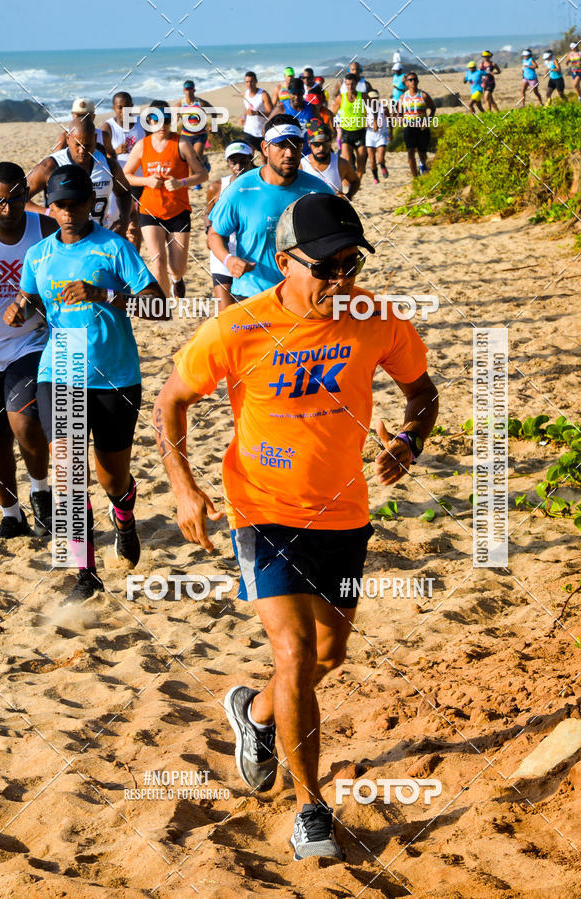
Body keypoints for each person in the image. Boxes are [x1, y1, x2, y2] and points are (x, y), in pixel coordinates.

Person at [153, 192, 438, 860]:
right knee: (296, 652)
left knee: (328, 656)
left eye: (350, 263)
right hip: (261, 507)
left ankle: (253, 712)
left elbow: (421, 392)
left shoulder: (376, 319)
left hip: (342, 512)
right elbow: (172, 401)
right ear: (284, 262)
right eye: (327, 267)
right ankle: (310, 806)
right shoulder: (238, 327)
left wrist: (410, 438)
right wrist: (184, 487)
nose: (342, 280)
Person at [5, 165, 166, 601]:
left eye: (76, 204)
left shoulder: (113, 248)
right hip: (62, 370)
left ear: (89, 205)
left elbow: (158, 307)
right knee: (70, 476)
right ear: (51, 208)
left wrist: (103, 295)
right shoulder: (38, 255)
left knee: (113, 478)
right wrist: (20, 309)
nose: (68, 212)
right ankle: (85, 574)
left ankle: (124, 517)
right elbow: (32, 297)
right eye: (59, 205)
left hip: (115, 374)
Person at [0, 162, 57, 539]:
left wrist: (34, 304)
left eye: (16, 198)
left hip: (27, 344)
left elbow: (65, 279)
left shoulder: (43, 228)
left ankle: (40, 492)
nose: (8, 208)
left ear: (28, 194)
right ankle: (12, 516)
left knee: (24, 421)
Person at [207, 115, 334, 302]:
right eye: (281, 145)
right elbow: (215, 234)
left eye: (295, 145)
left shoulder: (318, 190)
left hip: (301, 295)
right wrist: (228, 260)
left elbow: (334, 239)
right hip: (252, 295)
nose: (289, 153)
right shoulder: (240, 190)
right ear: (265, 148)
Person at [123, 99, 208, 299]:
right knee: (158, 261)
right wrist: (146, 181)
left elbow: (202, 175)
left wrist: (182, 182)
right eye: (157, 120)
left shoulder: (181, 143)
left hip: (178, 211)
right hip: (150, 211)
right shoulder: (142, 146)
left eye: (167, 120)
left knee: (177, 267)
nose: (162, 126)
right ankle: (163, 305)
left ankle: (177, 280)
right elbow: (125, 175)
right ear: (149, 121)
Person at [26, 118, 132, 235]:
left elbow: (125, 192)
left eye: (87, 145)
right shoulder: (50, 166)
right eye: (77, 144)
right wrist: (47, 213)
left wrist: (124, 220)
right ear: (68, 139)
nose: (82, 151)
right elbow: (19, 198)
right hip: (61, 239)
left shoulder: (109, 166)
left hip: (97, 239)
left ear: (95, 139)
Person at [205, 142, 255, 310]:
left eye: (243, 161)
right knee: (226, 314)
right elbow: (208, 214)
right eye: (233, 162)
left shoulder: (262, 184)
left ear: (251, 159)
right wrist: (209, 233)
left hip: (253, 256)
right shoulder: (217, 187)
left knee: (249, 313)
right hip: (223, 254)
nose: (238, 166)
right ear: (228, 162)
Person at [102, 91, 146, 249]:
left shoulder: (142, 124)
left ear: (132, 107)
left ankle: (135, 258)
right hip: (117, 183)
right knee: (118, 223)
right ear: (114, 108)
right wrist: (115, 151)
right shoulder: (108, 127)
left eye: (127, 107)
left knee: (135, 226)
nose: (123, 111)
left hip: (138, 181)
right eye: (120, 107)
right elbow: (101, 155)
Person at [300, 120, 359, 197]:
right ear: (309, 144)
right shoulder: (302, 165)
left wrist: (348, 195)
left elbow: (355, 181)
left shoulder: (341, 164)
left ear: (330, 143)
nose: (321, 148)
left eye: (325, 144)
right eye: (316, 144)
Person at [398, 72, 435, 178]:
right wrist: (400, 119)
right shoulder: (403, 97)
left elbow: (432, 108)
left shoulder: (423, 95)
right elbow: (399, 113)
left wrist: (427, 121)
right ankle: (415, 178)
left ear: (418, 81)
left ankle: (423, 165)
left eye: (415, 79)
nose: (413, 81)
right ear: (407, 83)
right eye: (410, 80)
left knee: (422, 153)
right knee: (410, 153)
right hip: (409, 128)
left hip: (422, 128)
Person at [332, 72, 368, 181]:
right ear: (345, 85)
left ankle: (358, 180)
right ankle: (350, 179)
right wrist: (333, 127)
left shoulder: (363, 96)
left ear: (356, 84)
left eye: (352, 84)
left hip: (360, 132)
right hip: (346, 132)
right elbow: (332, 114)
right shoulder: (340, 98)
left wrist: (373, 120)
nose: (350, 87)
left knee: (361, 160)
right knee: (347, 160)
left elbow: (373, 110)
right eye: (347, 84)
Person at [271, 78, 319, 157]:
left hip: (308, 154)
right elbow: (265, 129)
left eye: (299, 93)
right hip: (288, 154)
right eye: (293, 93)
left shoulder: (312, 108)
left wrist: (313, 132)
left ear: (303, 92)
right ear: (288, 93)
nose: (296, 97)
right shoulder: (281, 109)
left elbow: (319, 127)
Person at [171, 80, 211, 170]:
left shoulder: (200, 103)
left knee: (196, 158)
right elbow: (172, 117)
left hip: (200, 135)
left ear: (194, 90)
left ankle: (203, 161)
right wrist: (175, 118)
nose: (188, 91)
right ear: (183, 91)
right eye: (186, 89)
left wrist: (212, 125)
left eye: (190, 89)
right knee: (188, 160)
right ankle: (195, 181)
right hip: (186, 135)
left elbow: (214, 111)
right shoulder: (180, 105)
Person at [241, 71, 273, 158]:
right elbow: (246, 109)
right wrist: (243, 117)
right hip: (248, 131)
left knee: (265, 159)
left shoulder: (263, 94)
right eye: (247, 82)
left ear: (256, 81)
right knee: (248, 157)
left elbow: (271, 112)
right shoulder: (245, 94)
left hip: (261, 133)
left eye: (251, 81)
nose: (249, 84)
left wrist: (257, 113)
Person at [365, 89, 392, 181]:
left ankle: (383, 165)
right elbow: (362, 122)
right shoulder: (365, 109)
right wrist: (366, 125)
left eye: (375, 99)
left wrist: (390, 133)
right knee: (372, 160)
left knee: (380, 158)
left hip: (381, 135)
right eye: (371, 99)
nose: (373, 101)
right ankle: (376, 178)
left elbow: (389, 121)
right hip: (370, 136)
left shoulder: (383, 108)